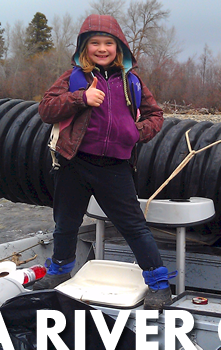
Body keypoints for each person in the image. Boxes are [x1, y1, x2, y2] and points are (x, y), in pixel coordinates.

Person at [35, 14, 173, 310]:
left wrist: (137, 133)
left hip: (115, 167)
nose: (101, 48)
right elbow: (46, 109)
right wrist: (81, 98)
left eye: (108, 43)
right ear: (84, 48)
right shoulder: (73, 78)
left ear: (119, 47)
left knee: (134, 226)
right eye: (94, 43)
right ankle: (59, 271)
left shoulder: (132, 80)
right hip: (75, 162)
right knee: (66, 223)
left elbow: (156, 115)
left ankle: (159, 284)